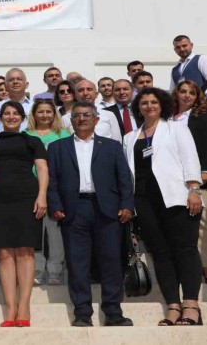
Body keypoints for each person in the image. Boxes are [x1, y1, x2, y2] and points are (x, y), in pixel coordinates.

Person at [47, 101, 134, 327]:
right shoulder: (57, 147)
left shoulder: (112, 146)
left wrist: (127, 204)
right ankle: (82, 313)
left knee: (111, 261)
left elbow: (124, 177)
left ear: (96, 119)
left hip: (107, 209)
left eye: (87, 115)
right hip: (73, 209)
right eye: (77, 115)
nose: (82, 119)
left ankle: (113, 312)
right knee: (77, 263)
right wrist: (55, 205)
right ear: (71, 121)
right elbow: (51, 180)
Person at [123, 87, 204, 326]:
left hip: (177, 197)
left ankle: (191, 305)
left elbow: (190, 158)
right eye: (144, 103)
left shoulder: (176, 128)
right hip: (144, 201)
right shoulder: (129, 138)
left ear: (162, 105)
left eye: (154, 102)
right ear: (138, 108)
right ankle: (173, 306)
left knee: (185, 249)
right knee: (160, 253)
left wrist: (194, 189)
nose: (149, 106)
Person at [0, 101, 48, 327]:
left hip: (27, 197)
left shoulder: (33, 141)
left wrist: (42, 196)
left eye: (15, 113)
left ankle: (24, 306)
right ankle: (10, 308)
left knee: (26, 251)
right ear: (0, 118)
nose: (11, 117)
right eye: (6, 114)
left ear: (22, 118)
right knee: (5, 253)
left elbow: (42, 169)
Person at [171, 80, 207, 284]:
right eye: (183, 91)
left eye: (192, 93)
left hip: (200, 179)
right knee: (177, 224)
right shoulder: (165, 120)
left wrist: (205, 174)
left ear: (197, 97)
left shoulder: (203, 119)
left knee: (203, 224)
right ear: (176, 94)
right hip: (173, 179)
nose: (187, 95)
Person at [25, 100, 70, 285]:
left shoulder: (64, 135)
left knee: (54, 231)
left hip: (56, 188)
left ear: (54, 114)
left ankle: (55, 269)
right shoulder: (25, 135)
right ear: (34, 114)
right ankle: (37, 267)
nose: (44, 115)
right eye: (40, 112)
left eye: (48, 111)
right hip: (30, 187)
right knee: (34, 230)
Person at [0, 68, 33, 140]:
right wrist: (7, 144)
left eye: (19, 79)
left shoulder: (34, 107)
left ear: (26, 85)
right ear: (6, 86)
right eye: (11, 79)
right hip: (0, 146)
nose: (15, 82)